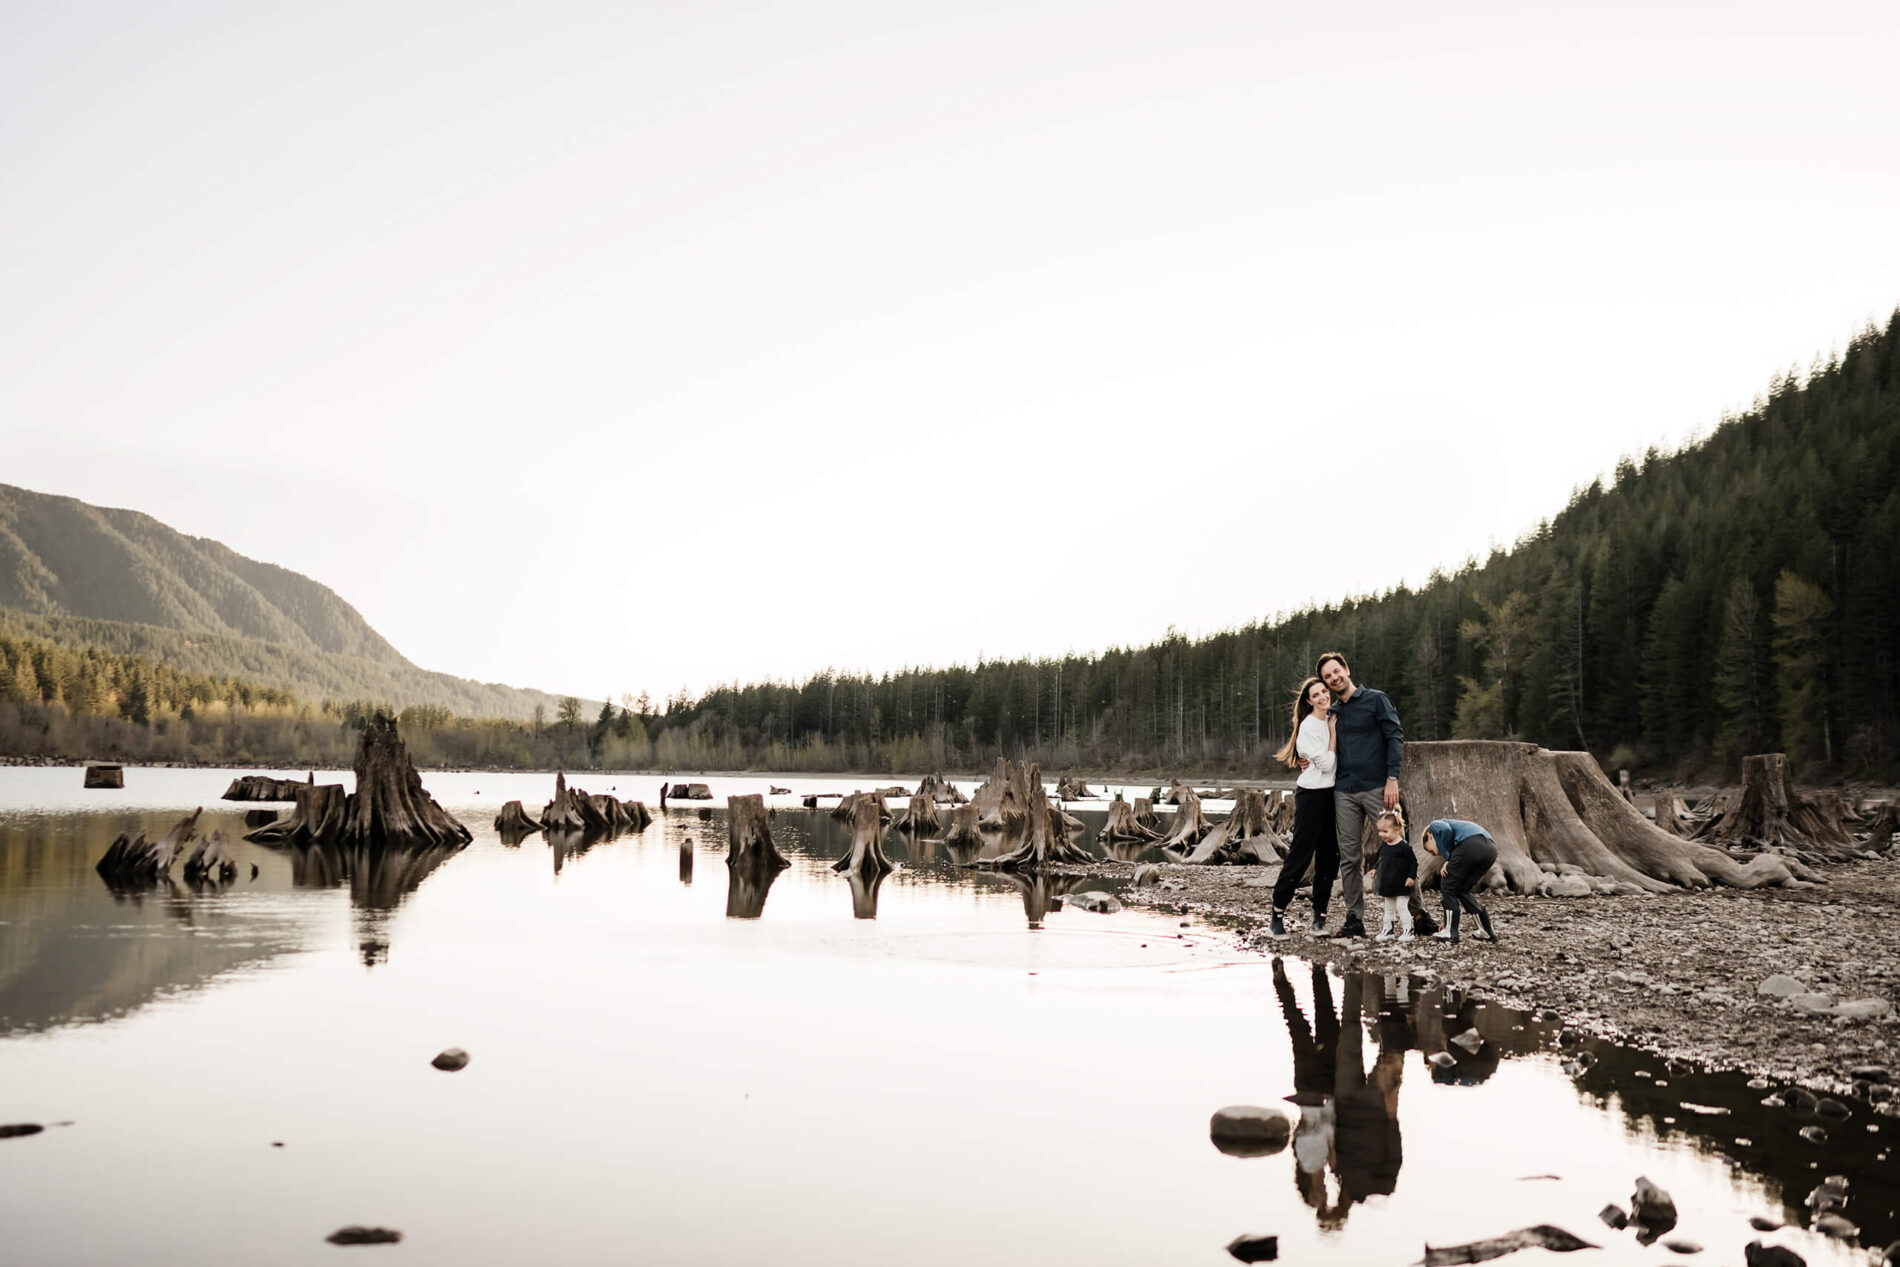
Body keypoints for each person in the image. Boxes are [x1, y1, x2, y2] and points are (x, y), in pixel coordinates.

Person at [1311, 652, 1402, 939]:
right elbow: (1319, 744)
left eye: (1336, 671)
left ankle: (1419, 914)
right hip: (1344, 791)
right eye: (1328, 676)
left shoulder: (1376, 699)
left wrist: (1392, 779)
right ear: (1326, 683)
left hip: (1378, 787)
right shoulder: (1333, 712)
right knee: (1350, 857)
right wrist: (1306, 760)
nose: (1334, 678)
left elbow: (1394, 736)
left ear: (1346, 670)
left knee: (1400, 849)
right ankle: (1354, 918)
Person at [1269, 677, 1338, 938]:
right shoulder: (1309, 726)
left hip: (1333, 797)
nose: (1322, 696)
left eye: (1324, 691)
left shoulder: (1335, 716)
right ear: (1308, 701)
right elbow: (1328, 765)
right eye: (1316, 694)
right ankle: (1276, 916)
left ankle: (1319, 919)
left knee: (1329, 860)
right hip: (1311, 797)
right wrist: (1332, 734)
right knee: (1299, 857)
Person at [1421, 818, 1500, 944]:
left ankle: (1450, 931)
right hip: (1490, 849)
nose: (1434, 855)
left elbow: (1445, 829)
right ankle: (1486, 930)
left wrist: (1449, 857)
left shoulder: (1434, 826)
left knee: (1448, 883)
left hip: (1471, 845)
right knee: (1462, 888)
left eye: (1430, 850)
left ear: (1430, 836)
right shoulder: (1457, 831)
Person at [1365, 809, 1417, 942]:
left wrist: (1411, 877)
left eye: (1385, 831)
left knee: (1401, 907)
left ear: (1397, 829)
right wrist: (1375, 869)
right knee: (1388, 909)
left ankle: (1408, 930)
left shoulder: (1404, 847)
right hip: (1388, 883)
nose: (1381, 834)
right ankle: (1388, 930)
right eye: (1379, 831)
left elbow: (1413, 863)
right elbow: (1381, 859)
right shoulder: (1385, 846)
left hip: (1402, 884)